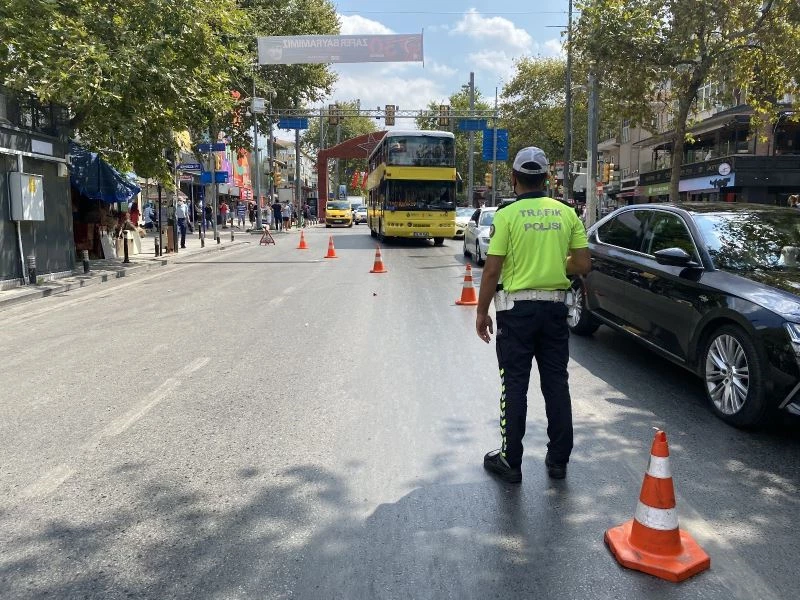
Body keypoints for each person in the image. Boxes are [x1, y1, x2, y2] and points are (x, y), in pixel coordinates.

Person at [476, 146, 592, 483]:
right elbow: (584, 264)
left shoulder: (507, 215)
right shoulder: (567, 213)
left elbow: (491, 270)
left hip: (516, 313)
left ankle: (510, 462)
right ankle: (558, 462)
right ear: (547, 179)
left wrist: (481, 313)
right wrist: (558, 264)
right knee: (556, 384)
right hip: (555, 310)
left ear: (514, 180)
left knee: (514, 385)